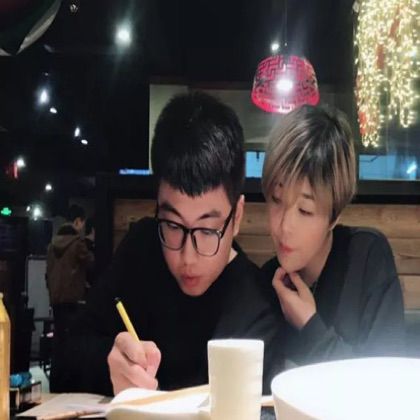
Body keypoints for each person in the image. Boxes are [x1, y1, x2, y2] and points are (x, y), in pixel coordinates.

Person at [79, 91, 282, 396]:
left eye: (207, 230)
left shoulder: (256, 306)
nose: (188, 257)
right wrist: (108, 364)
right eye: (173, 226)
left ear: (237, 216)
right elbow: (67, 354)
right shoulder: (140, 251)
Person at [261, 105, 405, 368]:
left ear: (334, 216)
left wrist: (309, 325)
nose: (284, 227)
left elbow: (384, 381)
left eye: (305, 210)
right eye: (276, 200)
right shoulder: (267, 283)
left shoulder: (366, 259)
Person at [46, 204, 94, 391]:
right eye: (82, 223)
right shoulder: (78, 244)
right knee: (73, 344)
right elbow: (92, 264)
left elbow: (47, 275)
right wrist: (90, 242)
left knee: (59, 342)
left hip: (56, 300)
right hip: (74, 301)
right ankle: (69, 386)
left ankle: (56, 384)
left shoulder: (51, 246)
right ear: (77, 221)